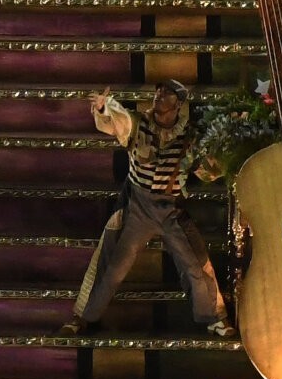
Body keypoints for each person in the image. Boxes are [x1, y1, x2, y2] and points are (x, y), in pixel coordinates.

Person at [73, 81, 229, 337]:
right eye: (158, 91)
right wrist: (103, 109)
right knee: (113, 264)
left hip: (171, 209)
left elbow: (207, 171)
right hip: (139, 207)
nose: (159, 95)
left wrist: (224, 153)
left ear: (178, 104)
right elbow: (119, 122)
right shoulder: (138, 124)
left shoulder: (189, 135)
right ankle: (83, 316)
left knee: (195, 262)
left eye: (167, 93)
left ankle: (214, 318)